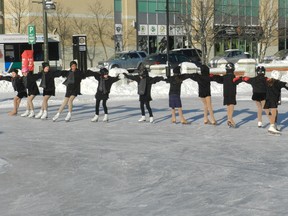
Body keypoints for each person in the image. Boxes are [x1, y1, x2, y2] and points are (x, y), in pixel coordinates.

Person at [211, 62, 242, 128]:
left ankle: (229, 119)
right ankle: (230, 119)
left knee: (228, 105)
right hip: (232, 93)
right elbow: (237, 81)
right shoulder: (233, 77)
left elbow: (219, 79)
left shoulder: (224, 77)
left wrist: (213, 76)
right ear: (233, 69)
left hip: (226, 93)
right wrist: (241, 78)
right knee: (232, 105)